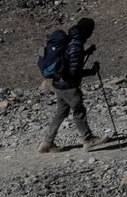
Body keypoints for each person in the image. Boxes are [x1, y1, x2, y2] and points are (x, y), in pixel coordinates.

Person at [39, 16, 102, 151]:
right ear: (87, 31)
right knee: (79, 111)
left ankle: (47, 142)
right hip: (69, 86)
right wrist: (91, 71)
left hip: (58, 83)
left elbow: (68, 59)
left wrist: (85, 53)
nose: (92, 33)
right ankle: (88, 139)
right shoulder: (76, 46)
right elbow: (73, 72)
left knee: (61, 112)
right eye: (91, 30)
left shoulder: (70, 40)